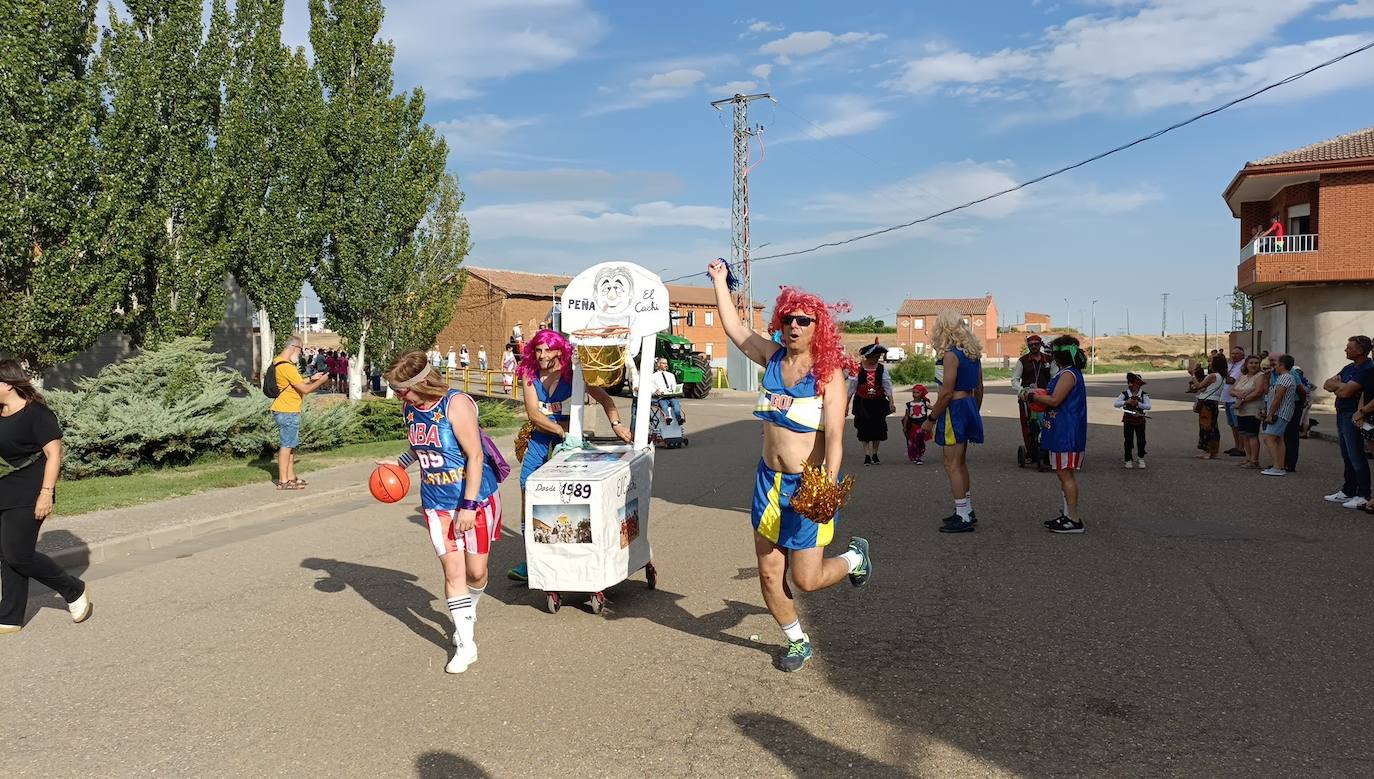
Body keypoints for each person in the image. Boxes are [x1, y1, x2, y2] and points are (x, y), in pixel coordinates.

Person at [707, 259, 871, 673]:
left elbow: (834, 438)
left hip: (807, 486)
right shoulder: (773, 356)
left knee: (807, 579)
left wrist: (827, 490)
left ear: (820, 328)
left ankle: (854, 558)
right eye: (788, 319)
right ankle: (798, 641)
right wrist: (720, 282)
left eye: (804, 320)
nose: (794, 326)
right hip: (769, 482)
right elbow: (735, 329)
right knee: (767, 573)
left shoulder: (827, 375)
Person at [380, 351, 502, 674]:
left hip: (473, 498)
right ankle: (466, 642)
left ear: (419, 383)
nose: (396, 395)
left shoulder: (455, 404)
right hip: (436, 502)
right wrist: (400, 464)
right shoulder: (409, 409)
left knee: (476, 572)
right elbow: (419, 446)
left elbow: (475, 457)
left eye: (400, 389)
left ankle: (469, 609)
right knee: (453, 573)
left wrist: (469, 506)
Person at [507, 329, 632, 582]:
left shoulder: (575, 374)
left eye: (548, 350)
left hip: (571, 439)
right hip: (543, 437)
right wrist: (559, 433)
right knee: (528, 490)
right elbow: (534, 414)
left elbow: (606, 400)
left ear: (559, 350)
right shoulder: (529, 375)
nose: (542, 356)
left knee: (568, 494)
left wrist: (617, 425)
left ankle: (575, 552)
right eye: (538, 350)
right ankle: (531, 558)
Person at [0, 360, 92, 634]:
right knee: (5, 554)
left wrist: (46, 494)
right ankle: (10, 615)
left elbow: (54, 455)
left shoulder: (36, 414)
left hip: (30, 491)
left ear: (7, 384)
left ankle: (73, 589)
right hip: (3, 491)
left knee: (18, 554)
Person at [922, 311, 985, 533]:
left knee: (951, 464)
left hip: (954, 410)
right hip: (968, 406)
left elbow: (946, 392)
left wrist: (931, 418)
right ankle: (965, 509)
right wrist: (973, 411)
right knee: (961, 462)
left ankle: (964, 515)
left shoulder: (950, 355)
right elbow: (979, 388)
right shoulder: (972, 354)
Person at [1027, 336, 1089, 533]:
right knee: (1063, 474)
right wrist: (1039, 392)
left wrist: (1032, 396)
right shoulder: (1066, 373)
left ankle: (1074, 519)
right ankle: (1067, 514)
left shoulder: (1068, 374)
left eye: (1052, 353)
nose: (1050, 356)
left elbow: (1054, 400)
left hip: (1067, 432)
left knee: (1065, 474)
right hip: (1061, 429)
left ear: (1059, 355)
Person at [269, 337, 329, 489]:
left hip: (288, 409)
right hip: (286, 410)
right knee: (286, 445)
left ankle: (290, 477)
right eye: (301, 350)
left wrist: (311, 378)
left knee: (291, 445)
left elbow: (294, 383)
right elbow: (305, 389)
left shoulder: (280, 362)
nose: (301, 354)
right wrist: (321, 382)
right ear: (294, 347)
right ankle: (283, 481)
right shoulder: (287, 366)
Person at [1323, 336, 1374, 507]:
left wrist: (1340, 387)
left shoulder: (1367, 368)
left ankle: (1364, 493)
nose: (1345, 350)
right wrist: (1342, 386)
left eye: (1349, 348)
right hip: (1341, 412)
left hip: (1353, 414)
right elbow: (1327, 384)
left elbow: (1345, 393)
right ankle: (1348, 490)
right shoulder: (1349, 367)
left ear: (1360, 351)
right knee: (1346, 454)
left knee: (1356, 454)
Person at [848, 343, 894, 465]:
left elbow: (887, 386)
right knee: (864, 429)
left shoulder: (881, 369)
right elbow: (851, 388)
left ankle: (875, 453)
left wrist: (891, 402)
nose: (877, 359)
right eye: (876, 357)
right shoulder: (858, 368)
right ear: (869, 356)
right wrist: (846, 405)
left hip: (878, 402)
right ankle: (867, 455)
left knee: (878, 428)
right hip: (862, 402)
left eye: (879, 357)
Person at [1260, 355, 1298, 477]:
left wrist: (1270, 414)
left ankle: (1277, 466)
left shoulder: (1284, 378)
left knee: (1268, 438)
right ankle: (1280, 465)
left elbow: (1278, 397)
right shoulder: (1284, 378)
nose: (1273, 367)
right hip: (1283, 412)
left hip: (1280, 412)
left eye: (1275, 365)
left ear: (1282, 365)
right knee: (1279, 439)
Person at [1187, 353, 1226, 459]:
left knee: (1206, 426)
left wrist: (1192, 375)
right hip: (1213, 402)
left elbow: (1199, 386)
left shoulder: (1213, 376)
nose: (1209, 363)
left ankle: (1208, 450)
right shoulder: (1221, 376)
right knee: (1212, 426)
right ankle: (1212, 450)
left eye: (1210, 361)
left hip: (1207, 402)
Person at [1231, 355, 1266, 469]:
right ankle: (1248, 458)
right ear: (1246, 365)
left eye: (1256, 363)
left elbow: (1258, 392)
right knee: (1244, 434)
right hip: (1241, 410)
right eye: (1251, 363)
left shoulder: (1260, 376)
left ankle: (1254, 460)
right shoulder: (1243, 377)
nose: (1254, 365)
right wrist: (1237, 395)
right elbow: (1232, 390)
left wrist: (1241, 400)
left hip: (1253, 409)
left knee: (1252, 435)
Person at [1113, 372, 1151, 469]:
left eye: (1133, 383)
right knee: (1128, 440)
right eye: (1130, 382)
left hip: (1140, 419)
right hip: (1128, 419)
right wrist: (1126, 401)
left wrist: (1139, 404)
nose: (1131, 385)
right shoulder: (1124, 394)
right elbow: (1116, 404)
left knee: (1141, 440)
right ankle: (1128, 459)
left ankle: (1141, 457)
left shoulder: (1144, 395)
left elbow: (1148, 406)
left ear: (1138, 384)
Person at [1222, 346, 1246, 457]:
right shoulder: (1231, 365)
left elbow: (1230, 380)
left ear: (1242, 355)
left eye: (1237, 354)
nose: (1234, 355)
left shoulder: (1242, 366)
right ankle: (1236, 445)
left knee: (1238, 425)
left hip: (1235, 399)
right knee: (1232, 424)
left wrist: (1223, 372)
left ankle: (1241, 447)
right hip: (1227, 398)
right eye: (1232, 353)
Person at [649, 357, 685, 425]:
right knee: (664, 405)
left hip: (670, 395)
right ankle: (667, 418)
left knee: (676, 404)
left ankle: (679, 419)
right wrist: (655, 392)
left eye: (666, 363)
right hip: (661, 397)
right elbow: (651, 387)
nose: (666, 365)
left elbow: (674, 386)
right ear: (659, 364)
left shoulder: (671, 375)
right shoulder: (653, 376)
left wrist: (676, 390)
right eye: (664, 363)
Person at [902, 385, 931, 464]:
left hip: (922, 425)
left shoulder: (924, 403)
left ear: (921, 393)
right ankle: (916, 456)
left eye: (917, 392)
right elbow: (906, 416)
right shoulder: (909, 404)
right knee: (912, 441)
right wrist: (904, 427)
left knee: (920, 440)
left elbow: (933, 408)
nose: (915, 394)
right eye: (914, 392)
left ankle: (919, 454)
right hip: (912, 425)